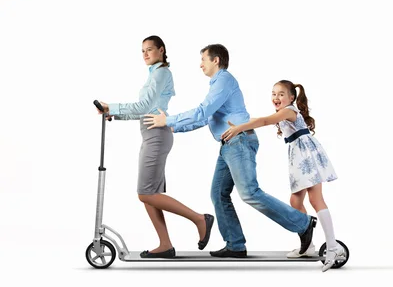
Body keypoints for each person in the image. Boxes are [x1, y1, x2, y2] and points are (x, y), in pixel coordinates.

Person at [143, 44, 317, 258]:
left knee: (250, 193)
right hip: (228, 144)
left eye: (203, 60)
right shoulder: (217, 85)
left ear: (216, 60)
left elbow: (202, 111)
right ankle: (235, 244)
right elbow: (206, 118)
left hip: (239, 141)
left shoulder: (224, 80)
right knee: (218, 194)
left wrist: (168, 119)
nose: (200, 65)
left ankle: (303, 223)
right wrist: (172, 126)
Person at [96, 35, 214, 258]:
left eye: (150, 49)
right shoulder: (154, 75)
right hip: (151, 134)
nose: (146, 54)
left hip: (156, 136)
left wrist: (111, 105)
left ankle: (200, 219)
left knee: (145, 193)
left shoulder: (161, 73)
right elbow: (145, 110)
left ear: (161, 50)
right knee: (151, 192)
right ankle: (165, 244)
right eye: (143, 51)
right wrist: (114, 115)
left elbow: (145, 105)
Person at [220, 80, 345, 272]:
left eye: (280, 94)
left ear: (291, 97)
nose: (276, 98)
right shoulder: (284, 113)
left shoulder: (289, 110)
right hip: (298, 157)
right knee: (295, 202)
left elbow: (263, 121)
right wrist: (243, 124)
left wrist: (240, 127)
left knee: (316, 199)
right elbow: (264, 120)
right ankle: (308, 246)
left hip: (306, 155)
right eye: (273, 94)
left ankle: (333, 247)